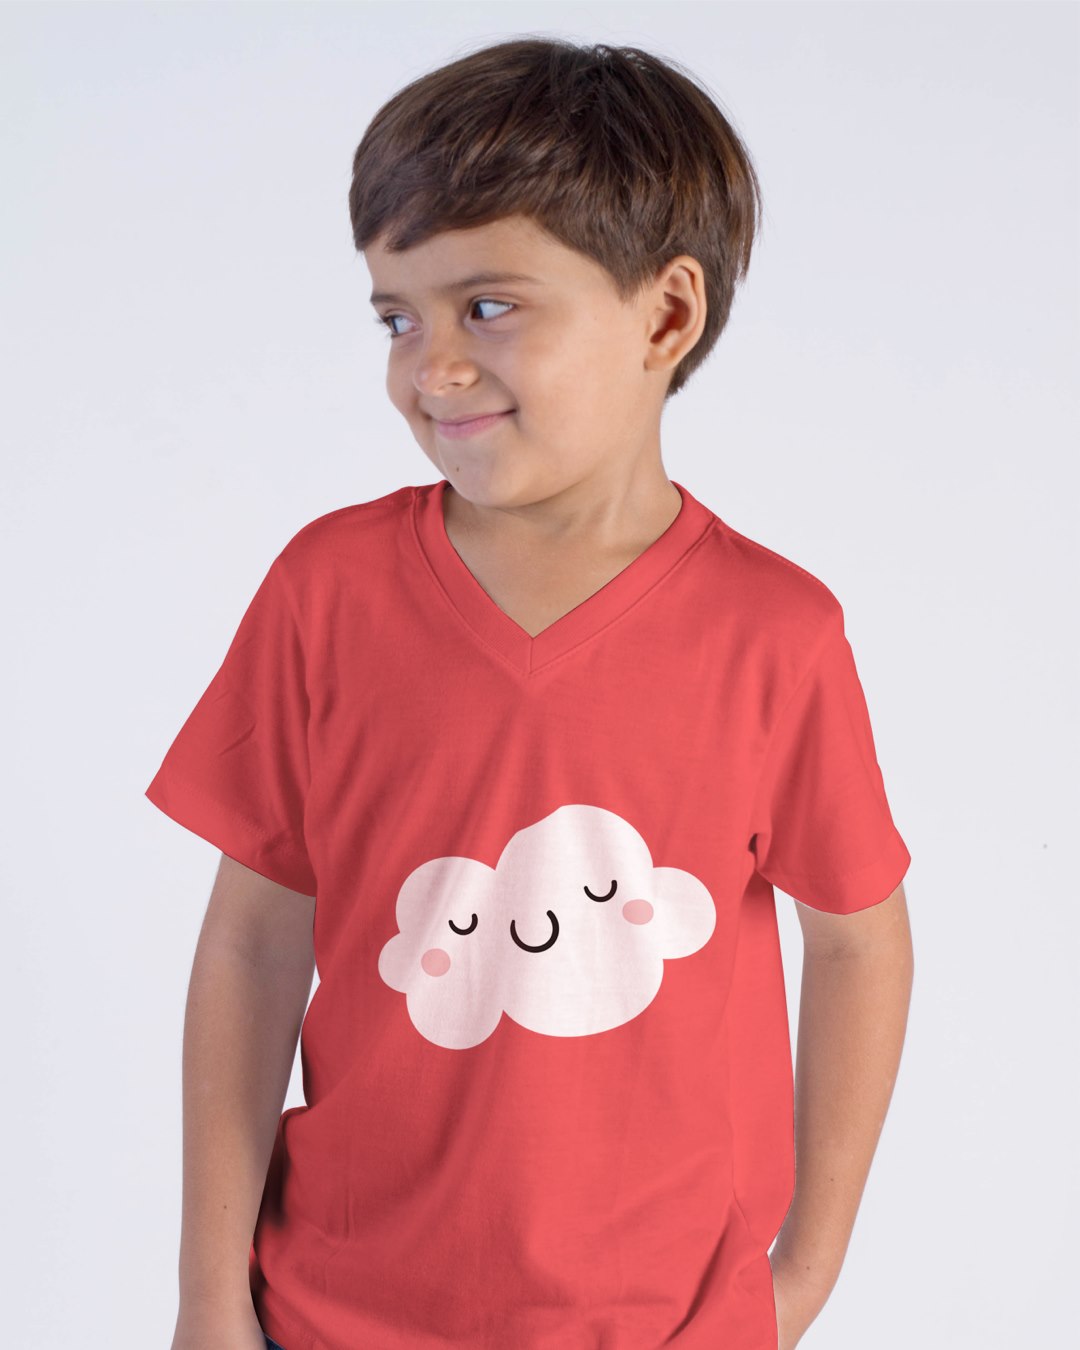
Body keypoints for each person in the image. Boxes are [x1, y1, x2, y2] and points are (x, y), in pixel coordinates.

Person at [149, 37, 913, 1350]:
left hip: (663, 1324)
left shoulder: (776, 634)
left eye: (488, 307)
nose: (429, 367)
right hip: (334, 1312)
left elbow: (859, 942)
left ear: (665, 319)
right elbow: (252, 944)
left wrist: (803, 1273)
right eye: (398, 317)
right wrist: (209, 1302)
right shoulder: (327, 591)